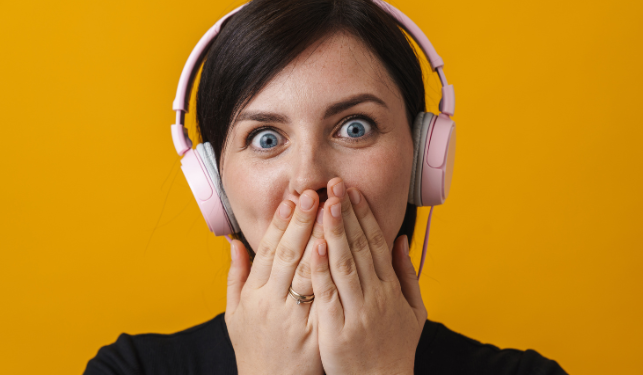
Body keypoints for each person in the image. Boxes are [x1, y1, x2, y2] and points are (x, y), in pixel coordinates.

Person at [85, 0, 567, 373]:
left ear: (423, 157)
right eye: (266, 138)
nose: (310, 177)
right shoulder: (130, 370)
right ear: (213, 182)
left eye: (355, 127)